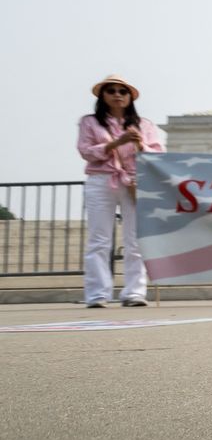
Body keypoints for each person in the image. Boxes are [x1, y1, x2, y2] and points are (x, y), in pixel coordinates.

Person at [76, 75, 165, 307]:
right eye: (111, 90)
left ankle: (134, 292)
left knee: (135, 239)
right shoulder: (90, 122)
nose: (117, 95)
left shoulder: (144, 124)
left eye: (122, 91)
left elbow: (157, 154)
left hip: (134, 182)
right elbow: (85, 151)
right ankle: (97, 294)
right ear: (102, 96)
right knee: (99, 239)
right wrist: (115, 143)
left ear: (130, 97)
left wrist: (138, 144)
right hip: (101, 180)